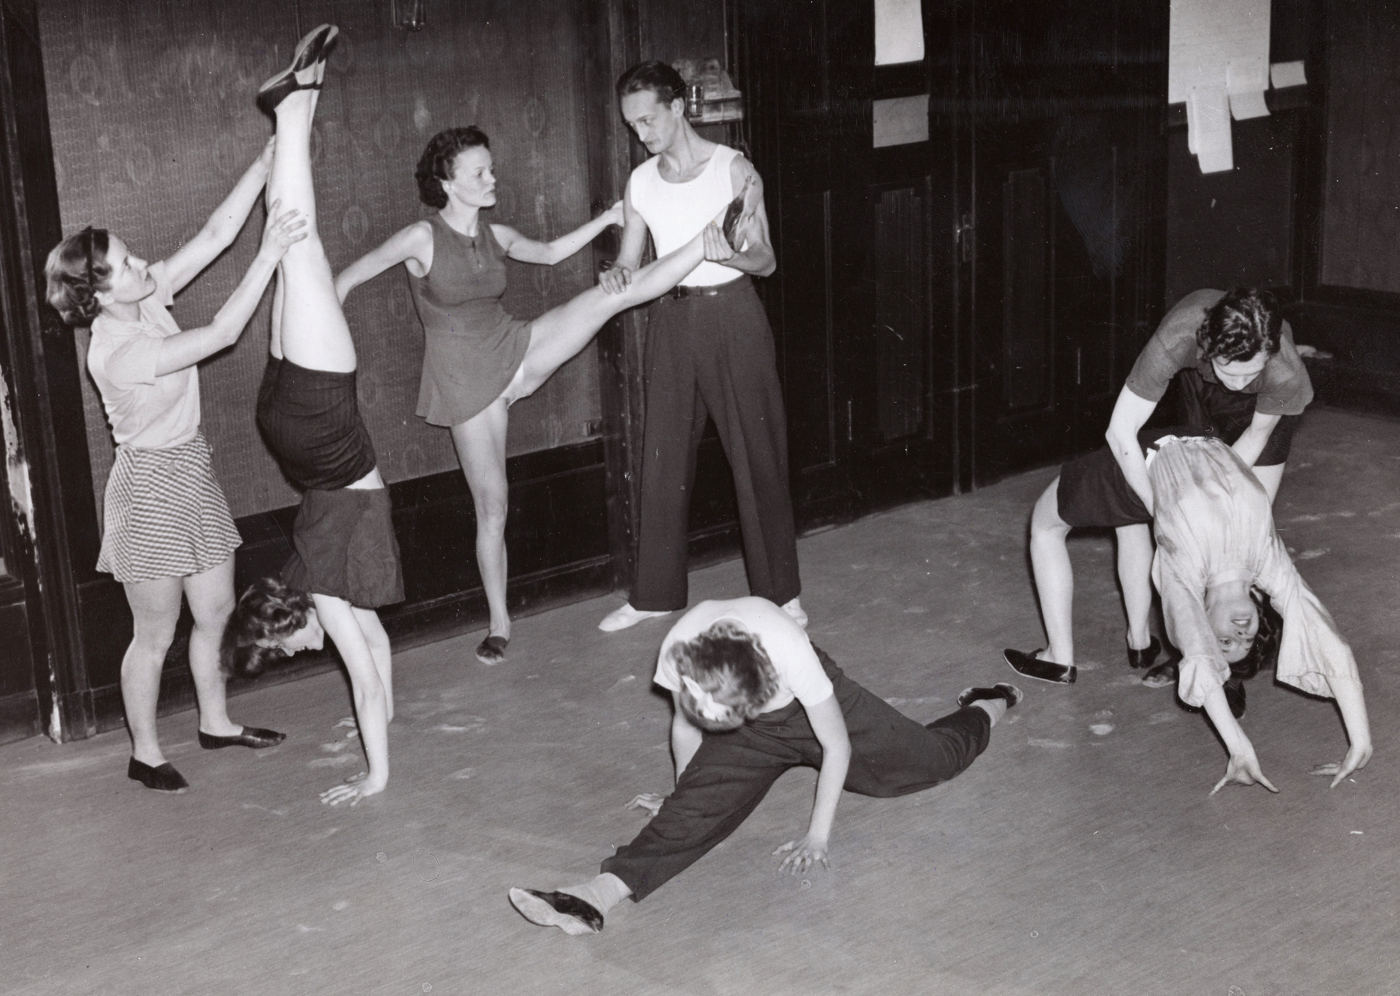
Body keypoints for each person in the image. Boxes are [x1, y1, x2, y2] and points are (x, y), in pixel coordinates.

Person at [336, 125, 751, 665]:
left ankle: (705, 239)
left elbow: (553, 253)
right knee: (493, 506)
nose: (492, 178)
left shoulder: (497, 234)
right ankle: (499, 622)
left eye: (491, 168)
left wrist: (607, 219)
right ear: (447, 182)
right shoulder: (421, 237)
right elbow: (346, 280)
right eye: (479, 173)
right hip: (465, 386)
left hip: (517, 349)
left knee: (611, 296)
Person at [508, 597, 1018, 935]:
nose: (709, 720)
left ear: (755, 691)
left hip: (812, 707)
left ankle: (989, 702)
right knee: (691, 812)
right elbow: (686, 727)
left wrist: (818, 835)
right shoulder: (680, 653)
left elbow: (834, 747)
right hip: (756, 729)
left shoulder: (790, 652)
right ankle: (592, 898)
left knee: (930, 763)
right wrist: (681, 796)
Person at [44, 137, 302, 793]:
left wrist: (265, 162)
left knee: (214, 612)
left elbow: (214, 234)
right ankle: (147, 753)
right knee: (155, 633)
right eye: (128, 264)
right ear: (98, 293)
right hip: (150, 488)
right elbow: (219, 336)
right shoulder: (115, 349)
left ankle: (215, 722)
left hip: (193, 470)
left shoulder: (144, 297)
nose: (142, 266)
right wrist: (269, 254)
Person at [214, 24, 407, 806]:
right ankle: (299, 106)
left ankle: (293, 112)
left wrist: (377, 771)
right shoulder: (310, 581)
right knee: (300, 254)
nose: (306, 651)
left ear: (290, 617)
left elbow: (358, 668)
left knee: (301, 248)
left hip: (321, 426)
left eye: (293, 649)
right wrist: (379, 720)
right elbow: (379, 653)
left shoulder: (323, 591)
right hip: (290, 424)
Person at [1006, 287, 1313, 685]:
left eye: (1250, 372)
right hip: (1196, 388)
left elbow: (1252, 441)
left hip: (1260, 420)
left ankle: (1221, 671)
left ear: (1270, 353)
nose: (1237, 383)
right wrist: (1165, 506)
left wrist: (1206, 505)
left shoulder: (1284, 372)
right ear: (1207, 346)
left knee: (1242, 540)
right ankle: (1125, 643)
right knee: (1137, 509)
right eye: (1228, 370)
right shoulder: (1179, 336)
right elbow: (1120, 434)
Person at [595, 61, 805, 635]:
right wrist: (617, 271)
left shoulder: (734, 170)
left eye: (648, 119)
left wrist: (731, 256)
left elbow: (767, 258)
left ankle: (780, 594)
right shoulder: (640, 183)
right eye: (631, 125)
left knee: (756, 449)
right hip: (672, 321)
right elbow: (630, 256)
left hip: (733, 313)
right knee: (660, 454)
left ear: (678, 107)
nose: (641, 133)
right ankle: (654, 595)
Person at [1144, 434, 1371, 796]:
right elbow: (1322, 631)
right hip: (1224, 429)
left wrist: (1239, 747)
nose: (1241, 632)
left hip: (1156, 434)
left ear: (1203, 622)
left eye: (1226, 640)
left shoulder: (1182, 575)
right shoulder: (1266, 564)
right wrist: (1361, 739)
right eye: (1247, 640)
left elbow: (1198, 654)